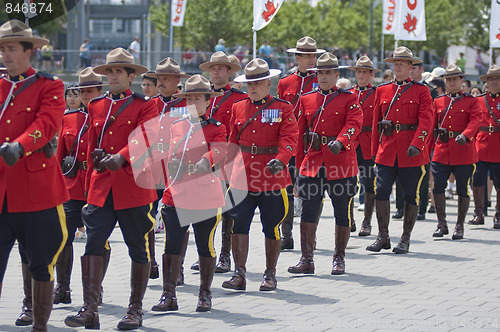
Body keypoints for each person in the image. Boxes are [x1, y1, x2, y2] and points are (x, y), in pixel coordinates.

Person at [64, 48, 158, 330]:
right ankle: (90, 308)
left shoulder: (145, 104)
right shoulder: (96, 105)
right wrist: (92, 170)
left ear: (131, 76)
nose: (113, 76)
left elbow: (148, 137)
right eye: (109, 72)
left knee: (137, 249)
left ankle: (135, 309)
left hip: (132, 186)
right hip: (102, 187)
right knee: (92, 245)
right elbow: (92, 147)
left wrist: (123, 156)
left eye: (119, 71)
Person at [0, 19, 69, 331]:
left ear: (29, 51)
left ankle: (40, 325)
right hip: (2, 194)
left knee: (40, 263)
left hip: (36, 192)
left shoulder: (49, 85)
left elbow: (47, 123)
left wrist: (20, 145)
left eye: (11, 48)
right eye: (2, 49)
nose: (5, 55)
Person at [152, 75, 227, 312]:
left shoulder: (216, 127)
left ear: (207, 101)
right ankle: (169, 295)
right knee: (171, 245)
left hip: (204, 194)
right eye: (190, 98)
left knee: (205, 245)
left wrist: (207, 160)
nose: (193, 102)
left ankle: (205, 295)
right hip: (176, 193)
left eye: (198, 98)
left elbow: (219, 149)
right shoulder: (176, 126)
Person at [222, 58, 298, 291]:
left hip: (271, 175)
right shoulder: (238, 107)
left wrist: (282, 160)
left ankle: (270, 274)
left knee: (271, 226)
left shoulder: (283, 108)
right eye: (249, 83)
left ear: (268, 83)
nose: (252, 87)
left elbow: (289, 139)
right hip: (242, 175)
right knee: (238, 224)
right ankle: (239, 274)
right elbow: (232, 141)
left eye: (258, 82)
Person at [288, 52, 362, 275]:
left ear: (336, 74)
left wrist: (341, 141)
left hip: (340, 160)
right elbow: (300, 135)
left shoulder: (349, 98)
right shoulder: (307, 99)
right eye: (320, 72)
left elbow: (355, 123)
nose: (324, 77)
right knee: (308, 211)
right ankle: (307, 260)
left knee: (341, 210)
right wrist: (299, 167)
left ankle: (339, 258)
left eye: (328, 73)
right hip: (313, 162)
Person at [368, 46, 433, 254]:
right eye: (395, 63)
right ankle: (383, 236)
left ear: (410, 67)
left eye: (402, 63)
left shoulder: (421, 91)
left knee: (410, 195)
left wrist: (418, 144)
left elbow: (427, 121)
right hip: (387, 150)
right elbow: (376, 121)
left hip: (411, 151)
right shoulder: (382, 90)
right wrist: (374, 150)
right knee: (381, 191)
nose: (397, 66)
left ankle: (405, 238)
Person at [54, 69, 109, 307]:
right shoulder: (68, 118)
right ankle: (62, 287)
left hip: (98, 183)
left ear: (100, 92)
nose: (85, 96)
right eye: (81, 92)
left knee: (99, 239)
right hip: (73, 185)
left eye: (90, 92)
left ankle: (95, 288)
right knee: (62, 236)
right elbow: (58, 157)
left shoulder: (108, 116)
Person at [196, 51, 247, 274]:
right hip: (200, 161)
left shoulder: (238, 98)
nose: (215, 72)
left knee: (227, 210)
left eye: (220, 68)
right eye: (213, 69)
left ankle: (225, 256)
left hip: (226, 160)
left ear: (229, 72)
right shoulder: (199, 96)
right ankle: (206, 253)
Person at [277, 36, 325, 250]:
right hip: (289, 143)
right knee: (286, 188)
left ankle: (309, 233)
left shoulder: (321, 80)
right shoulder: (285, 82)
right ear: (297, 57)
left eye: (313, 55)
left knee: (312, 191)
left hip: (312, 143)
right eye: (306, 56)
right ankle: (286, 233)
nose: (311, 59)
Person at [147, 57, 190, 284]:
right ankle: (150, 261)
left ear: (177, 81)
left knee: (178, 220)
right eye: (159, 78)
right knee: (147, 218)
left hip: (177, 169)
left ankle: (177, 266)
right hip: (153, 169)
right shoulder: (149, 105)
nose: (161, 82)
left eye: (166, 78)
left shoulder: (186, 106)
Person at [431, 64, 482, 239]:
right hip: (441, 150)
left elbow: (476, 120)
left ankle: (459, 225)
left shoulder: (471, 101)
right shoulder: (438, 101)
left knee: (462, 189)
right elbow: (431, 126)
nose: (452, 82)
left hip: (463, 150)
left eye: (455, 79)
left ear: (461, 80)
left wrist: (466, 135)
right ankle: (441, 223)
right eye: (449, 79)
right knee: (437, 186)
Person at [347, 56, 380, 236]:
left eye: (364, 72)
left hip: (368, 142)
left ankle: (366, 222)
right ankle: (349, 218)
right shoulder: (349, 94)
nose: (360, 75)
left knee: (369, 183)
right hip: (351, 143)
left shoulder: (376, 94)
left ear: (371, 74)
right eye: (358, 71)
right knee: (349, 182)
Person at [469, 65, 500, 229]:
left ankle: (498, 215)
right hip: (480, 145)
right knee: (477, 181)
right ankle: (478, 213)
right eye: (491, 78)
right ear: (486, 82)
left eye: (497, 78)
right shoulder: (479, 100)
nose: (494, 81)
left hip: (498, 147)